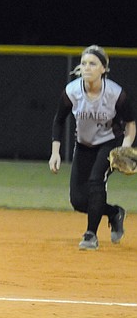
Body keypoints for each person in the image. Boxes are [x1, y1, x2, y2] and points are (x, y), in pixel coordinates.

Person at [49, 45, 135, 250]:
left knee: (96, 181)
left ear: (103, 69)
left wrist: (124, 147)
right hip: (84, 145)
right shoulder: (72, 91)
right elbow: (59, 120)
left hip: (109, 143)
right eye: (84, 63)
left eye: (93, 63)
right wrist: (55, 152)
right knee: (79, 201)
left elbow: (131, 123)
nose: (87, 67)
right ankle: (114, 213)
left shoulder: (115, 94)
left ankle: (90, 235)